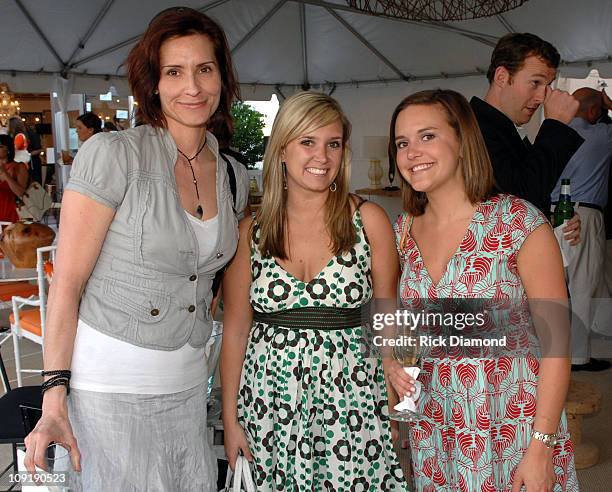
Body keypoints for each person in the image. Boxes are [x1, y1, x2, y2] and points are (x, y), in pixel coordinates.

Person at [23, 7, 247, 491]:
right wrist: (53, 397)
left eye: (205, 69)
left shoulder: (233, 174)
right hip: (110, 390)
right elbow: (67, 282)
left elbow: (211, 286)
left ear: (222, 79)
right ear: (154, 84)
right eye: (174, 72)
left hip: (189, 389)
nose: (192, 87)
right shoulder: (113, 154)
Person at [388, 89, 577, 490]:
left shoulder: (518, 222)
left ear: (462, 140)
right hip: (437, 423)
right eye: (402, 142)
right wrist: (393, 362)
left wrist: (541, 446)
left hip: (514, 422)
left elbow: (558, 345)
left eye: (427, 136)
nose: (411, 152)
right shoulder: (403, 230)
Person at [221, 91, 408, 491]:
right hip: (271, 402)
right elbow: (236, 330)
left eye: (333, 144)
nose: (322, 157)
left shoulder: (368, 221)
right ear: (283, 149)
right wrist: (230, 419)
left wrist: (396, 405)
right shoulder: (250, 232)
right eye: (308, 142)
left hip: (354, 397)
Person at [470, 32, 582, 243]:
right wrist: (555, 126)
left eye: (547, 85)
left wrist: (553, 221)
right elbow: (521, 198)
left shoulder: (501, 128)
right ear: (502, 77)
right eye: (535, 82)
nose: (541, 97)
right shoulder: (473, 127)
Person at [550, 87, 612, 371]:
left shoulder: (554, 133)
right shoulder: (601, 135)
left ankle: (551, 350)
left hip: (550, 213)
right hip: (584, 214)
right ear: (593, 111)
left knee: (555, 284)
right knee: (582, 284)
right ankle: (577, 357)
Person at [0, 134, 28, 222]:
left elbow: (20, 193)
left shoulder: (19, 167)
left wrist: (4, 172)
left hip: (11, 211)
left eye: (0, 146)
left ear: (8, 149)